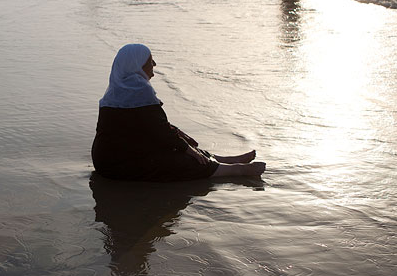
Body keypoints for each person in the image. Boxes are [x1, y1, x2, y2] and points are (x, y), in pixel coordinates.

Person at [91, 44, 266, 182]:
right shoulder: (140, 91)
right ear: (137, 65)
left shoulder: (113, 93)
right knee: (183, 159)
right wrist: (188, 148)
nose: (154, 64)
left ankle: (220, 159)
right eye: (150, 60)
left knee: (180, 142)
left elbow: (149, 128)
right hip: (120, 165)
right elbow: (161, 133)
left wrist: (183, 140)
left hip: (104, 161)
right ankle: (236, 170)